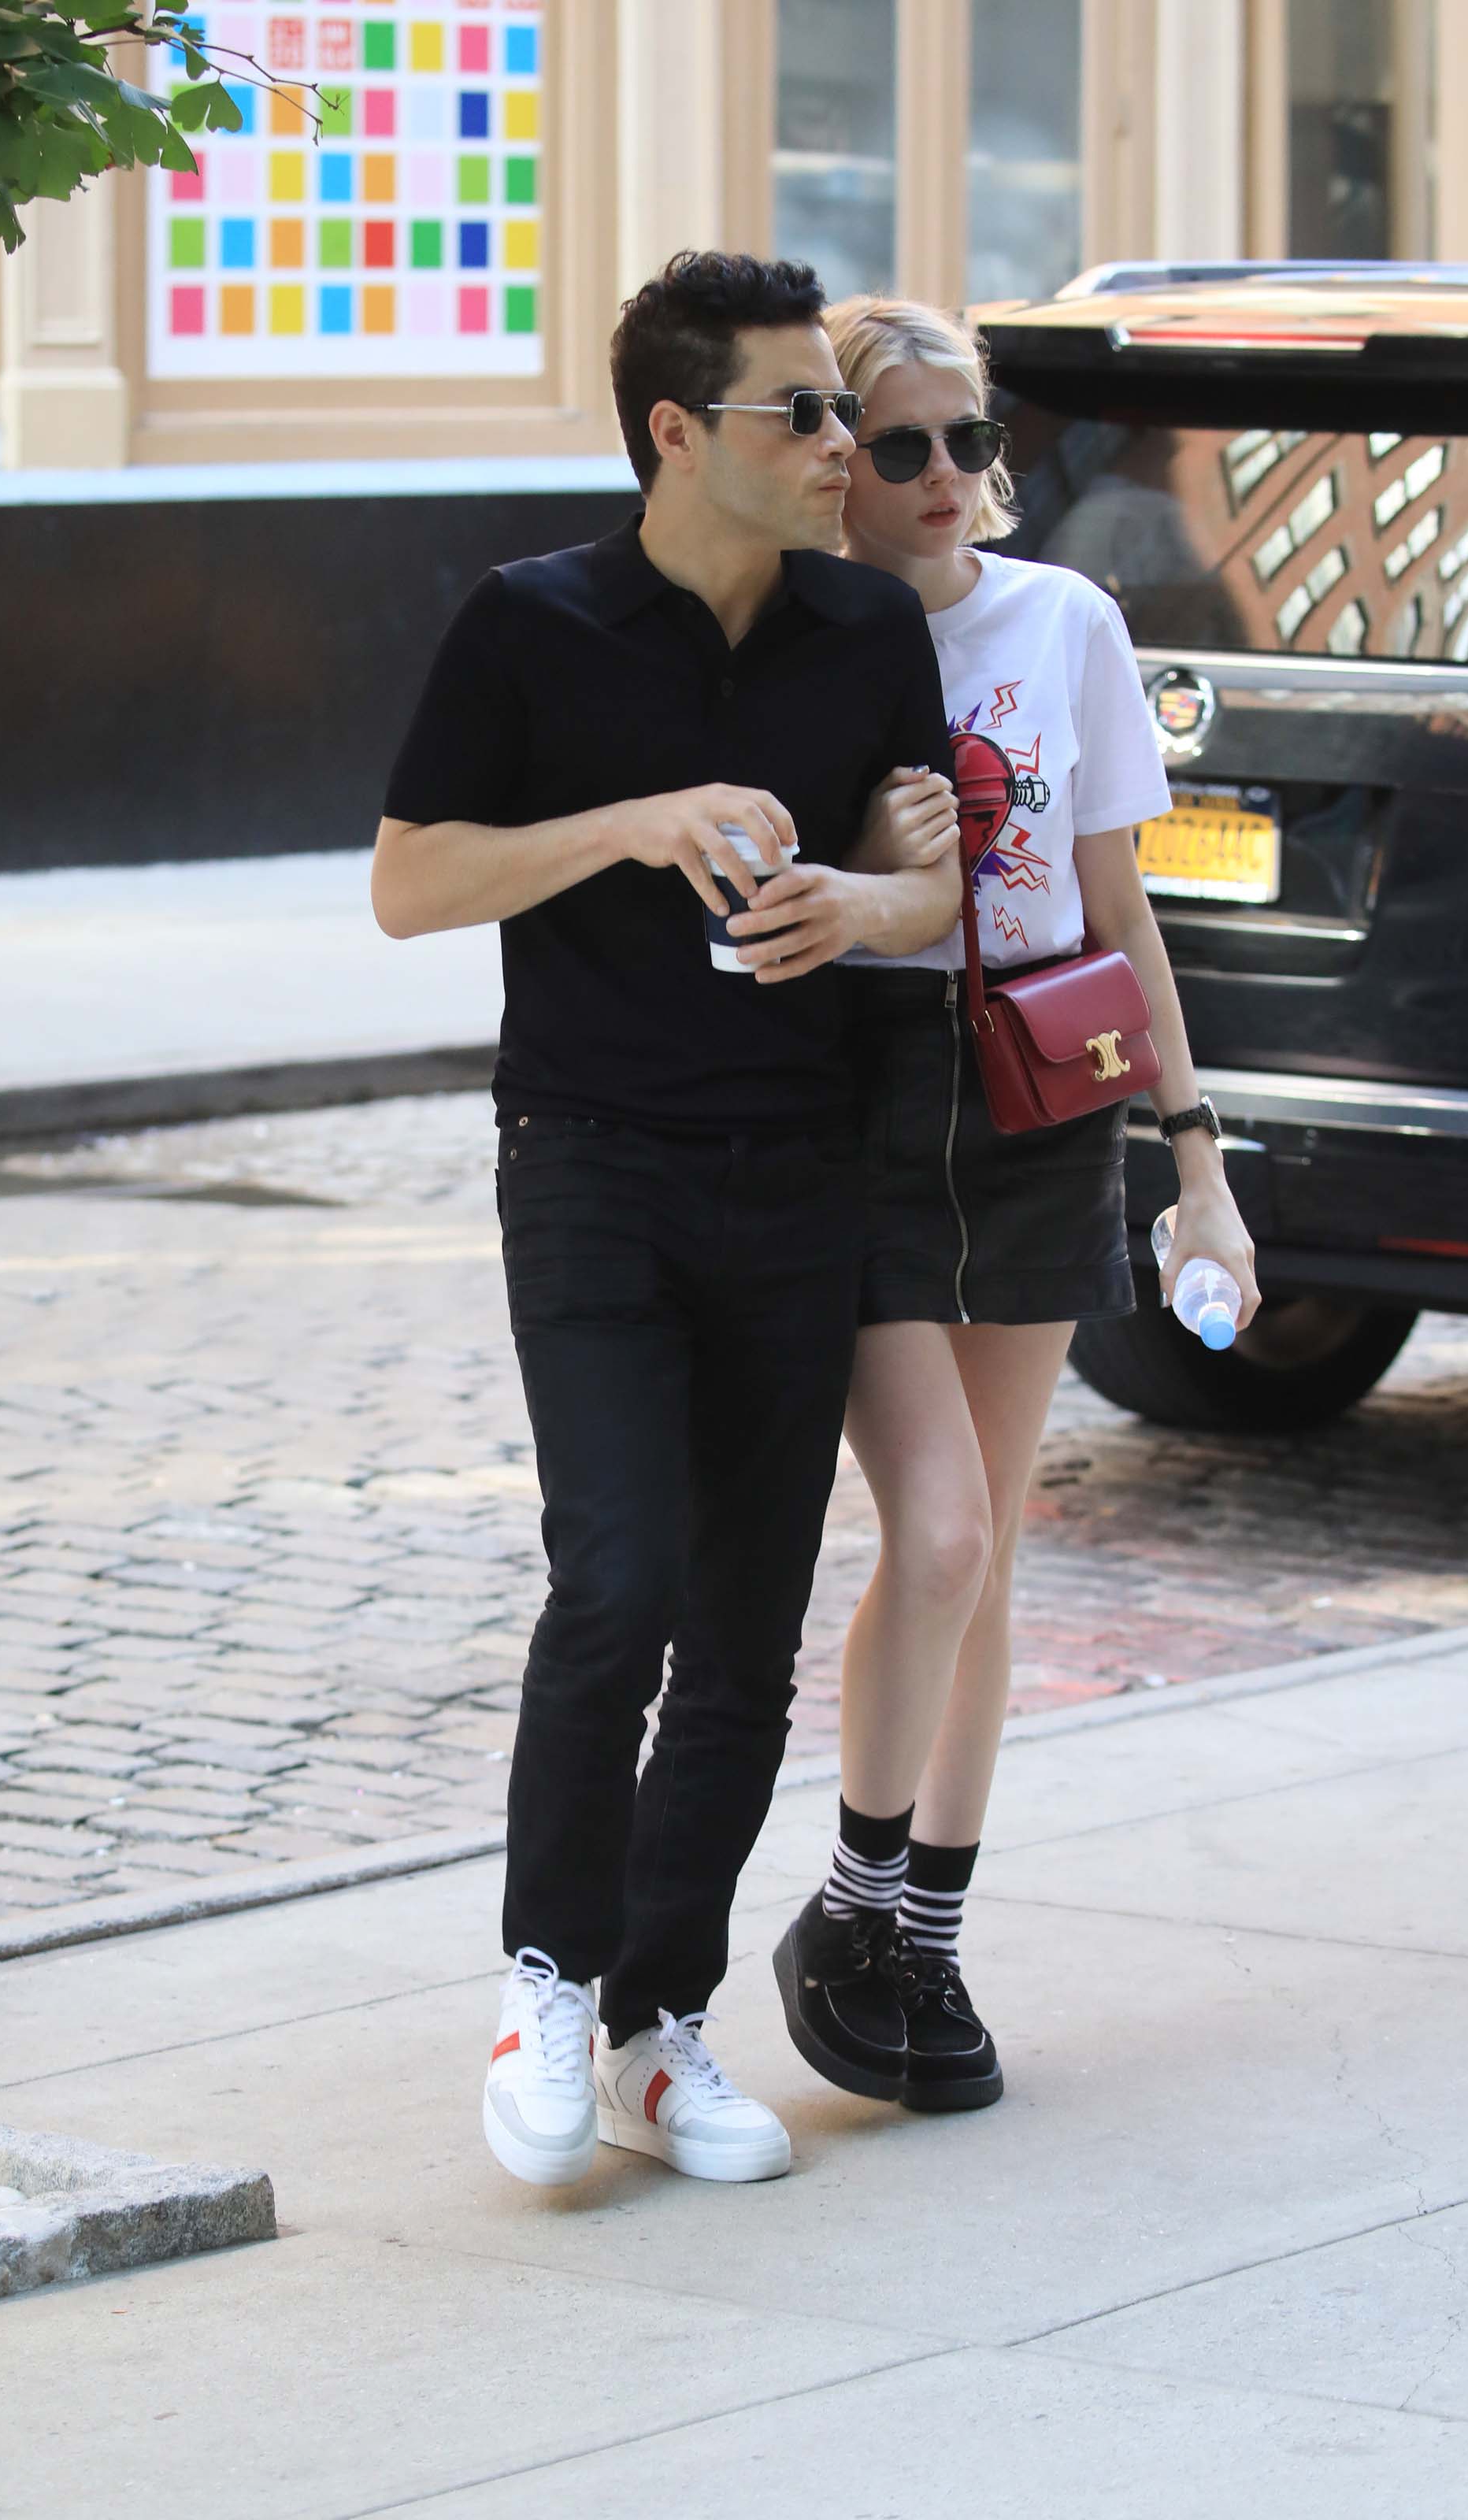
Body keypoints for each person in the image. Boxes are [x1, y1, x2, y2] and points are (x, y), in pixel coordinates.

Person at [372, 254, 960, 2189]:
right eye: (801, 415)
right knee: (614, 1578)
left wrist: (859, 910)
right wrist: (629, 822)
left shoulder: (870, 627)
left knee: (741, 1634)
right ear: (676, 433)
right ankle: (548, 1977)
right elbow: (408, 885)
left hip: (797, 1168)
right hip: (592, 1156)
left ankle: (653, 2022)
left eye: (840, 415)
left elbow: (925, 889)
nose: (842, 447)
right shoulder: (527, 626)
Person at [772, 297, 1260, 2114]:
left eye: (969, 442)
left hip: (1047, 1098)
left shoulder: (1066, 620)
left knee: (992, 1558)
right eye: (897, 448)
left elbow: (1121, 907)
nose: (943, 482)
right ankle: (845, 1904)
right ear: (838, 462)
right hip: (868, 1103)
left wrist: (1198, 1164)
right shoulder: (802, 630)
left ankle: (926, 1937)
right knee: (946, 1532)